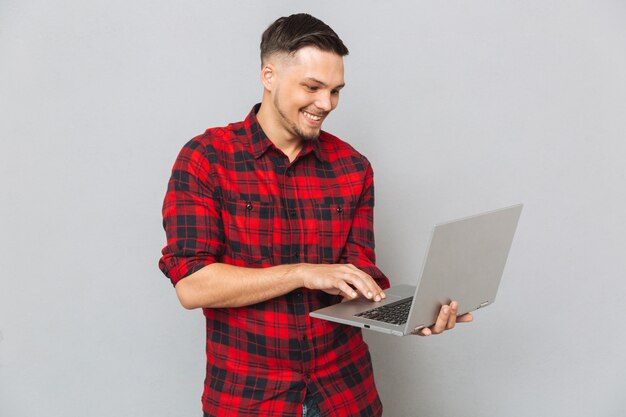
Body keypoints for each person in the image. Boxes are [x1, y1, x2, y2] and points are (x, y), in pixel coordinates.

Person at [159, 13, 472, 417]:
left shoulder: (353, 167)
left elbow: (359, 276)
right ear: (268, 76)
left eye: (336, 91)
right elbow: (192, 285)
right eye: (312, 87)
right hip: (250, 400)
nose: (325, 104)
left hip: (345, 395)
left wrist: (412, 313)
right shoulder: (205, 159)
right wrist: (304, 272)